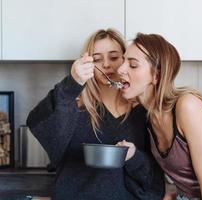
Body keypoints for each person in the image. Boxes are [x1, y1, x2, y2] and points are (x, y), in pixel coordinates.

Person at [26, 29, 165, 200]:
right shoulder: (73, 108)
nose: (106, 65)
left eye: (114, 57)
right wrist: (72, 83)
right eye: (97, 59)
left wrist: (134, 157)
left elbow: (155, 181)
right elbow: (37, 121)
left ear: (126, 60)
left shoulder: (144, 113)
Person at [117, 33, 202, 200]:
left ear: (157, 76)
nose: (120, 69)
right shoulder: (147, 117)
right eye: (124, 61)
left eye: (132, 65)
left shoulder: (187, 106)